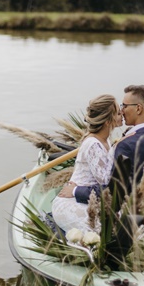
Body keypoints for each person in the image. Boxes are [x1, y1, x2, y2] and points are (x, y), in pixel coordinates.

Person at [61, 84, 144, 206]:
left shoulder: (125, 144)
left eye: (124, 106)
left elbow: (113, 191)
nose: (122, 111)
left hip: (135, 210)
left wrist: (76, 190)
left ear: (138, 108)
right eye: (120, 108)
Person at [51, 94, 122, 233]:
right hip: (72, 201)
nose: (122, 115)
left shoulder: (105, 140)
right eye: (118, 113)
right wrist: (76, 190)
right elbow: (107, 184)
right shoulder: (93, 145)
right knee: (112, 228)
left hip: (87, 198)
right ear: (108, 122)